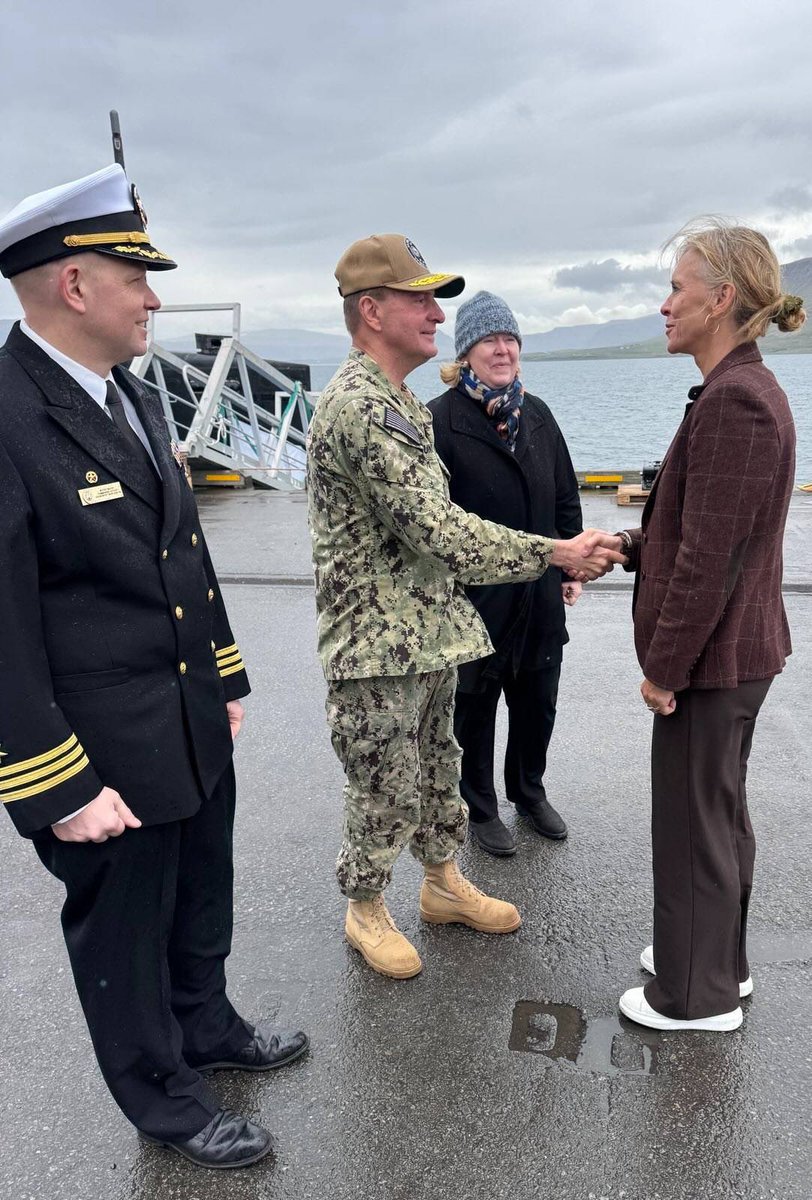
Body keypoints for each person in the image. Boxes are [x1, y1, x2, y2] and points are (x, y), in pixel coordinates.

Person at [0, 163, 307, 1169]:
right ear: (74, 284)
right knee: (124, 936)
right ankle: (164, 1099)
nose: (155, 296)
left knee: (200, 895)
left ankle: (206, 1026)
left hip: (181, 721)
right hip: (97, 754)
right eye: (136, 276)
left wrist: (222, 676)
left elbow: (180, 548)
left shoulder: (128, 394)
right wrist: (56, 784)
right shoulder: (9, 418)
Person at [306, 233, 623, 980]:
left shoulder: (402, 402)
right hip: (376, 645)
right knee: (383, 784)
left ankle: (444, 884)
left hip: (429, 632)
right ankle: (365, 909)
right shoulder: (360, 408)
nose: (435, 314)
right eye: (419, 299)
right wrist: (555, 551)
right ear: (372, 310)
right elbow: (438, 527)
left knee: (439, 771)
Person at [607, 219, 802, 1031]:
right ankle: (713, 959)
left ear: (722, 299)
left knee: (694, 824)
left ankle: (694, 996)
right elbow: (692, 531)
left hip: (713, 661)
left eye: (679, 289)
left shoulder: (736, 404)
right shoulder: (738, 392)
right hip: (733, 655)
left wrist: (665, 670)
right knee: (716, 814)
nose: (665, 305)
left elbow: (708, 563)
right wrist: (624, 545)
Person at [428, 291, 583, 857]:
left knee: (537, 699)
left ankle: (529, 791)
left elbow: (565, 495)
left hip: (539, 593)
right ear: (466, 351)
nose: (502, 349)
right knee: (474, 705)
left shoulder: (537, 414)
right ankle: (480, 806)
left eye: (510, 339)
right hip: (476, 599)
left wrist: (572, 568)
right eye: (489, 340)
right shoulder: (440, 420)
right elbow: (433, 520)